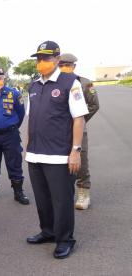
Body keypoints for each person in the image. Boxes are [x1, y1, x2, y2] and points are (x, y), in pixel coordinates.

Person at [25, 41, 88, 259]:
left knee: (61, 200)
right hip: (35, 153)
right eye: (38, 59)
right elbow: (31, 120)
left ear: (57, 59)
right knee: (42, 199)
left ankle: (65, 239)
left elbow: (78, 118)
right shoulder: (33, 86)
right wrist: (27, 148)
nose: (41, 63)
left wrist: (76, 150)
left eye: (46, 58)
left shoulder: (70, 82)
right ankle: (48, 231)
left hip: (60, 154)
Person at [0, 67, 29, 205]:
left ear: (4, 79)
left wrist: (11, 127)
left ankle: (18, 192)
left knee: (14, 163)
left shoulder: (14, 94)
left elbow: (20, 114)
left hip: (10, 135)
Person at [59, 53, 100, 210]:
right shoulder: (55, 83)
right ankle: (63, 192)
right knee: (60, 161)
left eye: (68, 65)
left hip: (78, 129)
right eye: (61, 65)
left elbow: (94, 105)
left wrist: (79, 120)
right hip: (58, 130)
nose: (64, 68)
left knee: (81, 161)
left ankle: (83, 193)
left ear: (74, 66)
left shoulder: (84, 83)